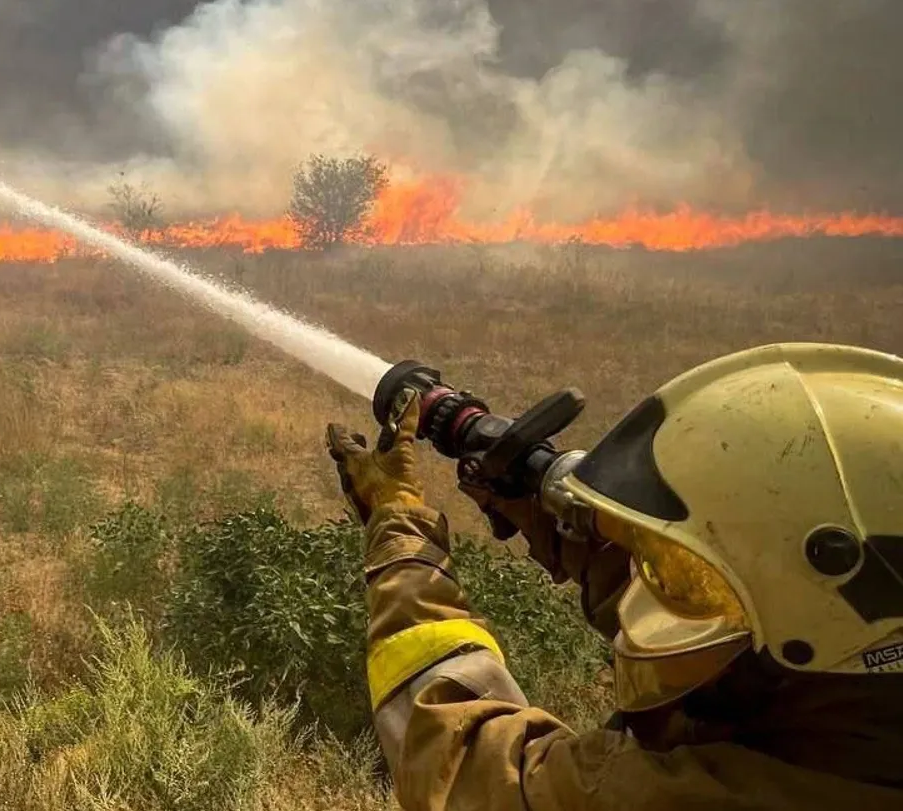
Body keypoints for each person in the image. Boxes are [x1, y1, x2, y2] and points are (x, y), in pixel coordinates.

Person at [325, 343, 903, 810]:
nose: (660, 589)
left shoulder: (720, 793)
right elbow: (724, 609)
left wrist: (399, 525)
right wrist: (551, 508)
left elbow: (465, 768)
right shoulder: (847, 699)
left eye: (682, 574)